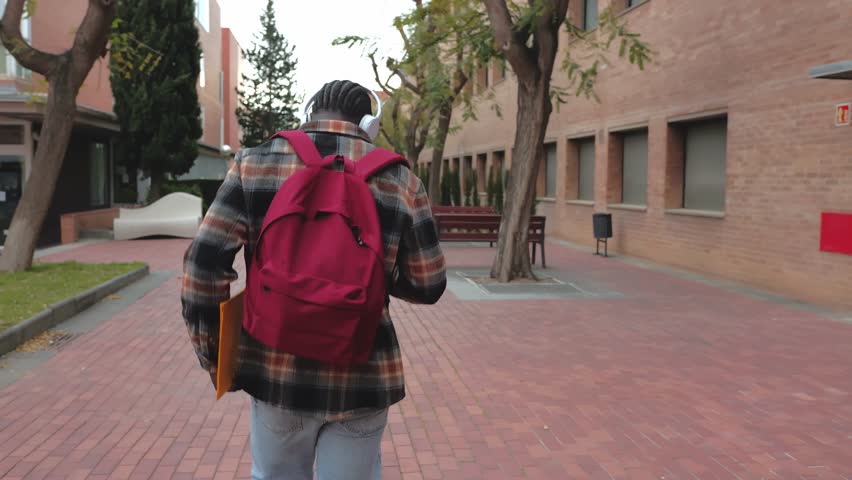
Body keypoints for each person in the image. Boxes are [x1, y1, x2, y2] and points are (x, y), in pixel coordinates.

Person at [180, 79, 446, 480]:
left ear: (308, 113)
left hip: (274, 371)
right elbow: (429, 284)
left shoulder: (254, 163)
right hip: (363, 376)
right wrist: (375, 276)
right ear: (369, 124)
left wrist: (216, 356)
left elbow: (202, 265)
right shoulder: (401, 180)